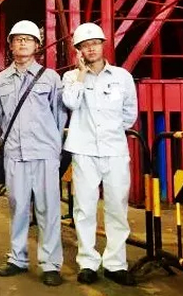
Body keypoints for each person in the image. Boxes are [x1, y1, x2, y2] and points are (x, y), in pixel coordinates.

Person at [62, 22, 138, 286]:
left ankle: (116, 263)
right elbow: (70, 103)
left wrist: (112, 132)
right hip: (84, 151)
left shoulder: (121, 77)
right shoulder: (71, 78)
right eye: (85, 46)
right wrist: (82, 74)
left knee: (117, 206)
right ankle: (88, 262)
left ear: (103, 45)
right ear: (78, 51)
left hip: (114, 150)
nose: (91, 49)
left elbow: (129, 112)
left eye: (95, 43)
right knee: (84, 208)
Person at [0, 20, 66, 286]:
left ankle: (50, 264)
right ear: (11, 46)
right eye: (17, 39)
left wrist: (53, 146)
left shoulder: (50, 78)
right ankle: (17, 258)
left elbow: (59, 116)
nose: (22, 43)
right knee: (18, 207)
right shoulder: (0, 80)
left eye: (28, 39)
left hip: (45, 153)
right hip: (15, 153)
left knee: (48, 209)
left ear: (37, 45)